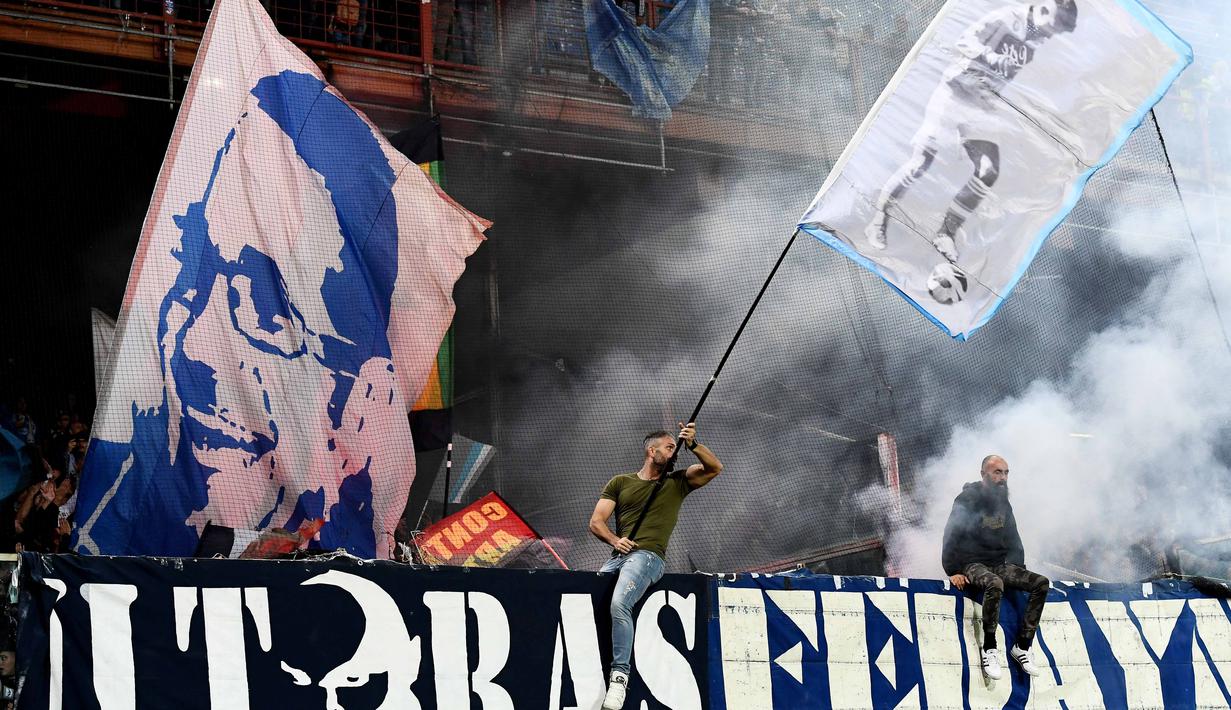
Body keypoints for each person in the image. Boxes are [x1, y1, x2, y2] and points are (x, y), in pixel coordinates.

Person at [863, 0, 1078, 279]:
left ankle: (946, 232)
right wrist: (990, 58)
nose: (1052, 35)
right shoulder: (1005, 18)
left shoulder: (1034, 41)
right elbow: (963, 42)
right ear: (1045, 9)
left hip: (979, 109)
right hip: (954, 95)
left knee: (988, 170)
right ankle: (879, 217)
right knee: (921, 162)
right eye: (1054, 27)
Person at [588, 422, 722, 710]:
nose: (675, 453)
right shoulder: (620, 482)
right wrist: (616, 540)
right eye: (670, 447)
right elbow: (596, 522)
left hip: (647, 556)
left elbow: (714, 468)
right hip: (618, 557)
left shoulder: (677, 482)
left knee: (620, 603)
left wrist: (693, 444)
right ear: (652, 451)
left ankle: (619, 678)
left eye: (676, 447)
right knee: (586, 599)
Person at [941, 454, 1049, 681]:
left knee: (1041, 583)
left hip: (998, 563)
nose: (1003, 478)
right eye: (997, 472)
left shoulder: (1004, 503)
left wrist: (1018, 570)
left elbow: (1013, 539)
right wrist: (953, 571)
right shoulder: (967, 499)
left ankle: (1022, 646)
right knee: (995, 584)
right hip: (972, 563)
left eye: (1006, 472)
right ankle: (989, 648)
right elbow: (951, 535)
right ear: (984, 475)